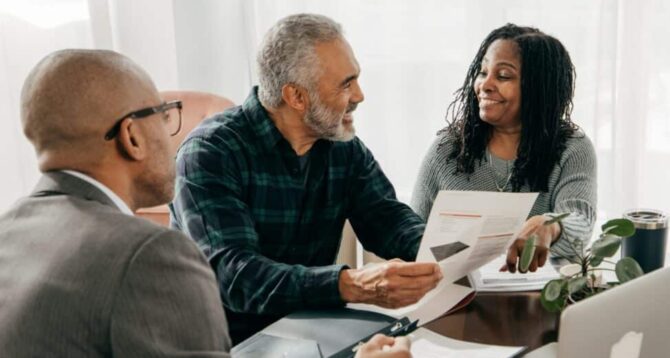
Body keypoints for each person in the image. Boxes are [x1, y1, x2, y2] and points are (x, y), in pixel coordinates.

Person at [0, 49, 409, 358]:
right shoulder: (151, 256)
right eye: (164, 114)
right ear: (132, 136)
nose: (172, 131)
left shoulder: (9, 231)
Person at [170, 13, 442, 344]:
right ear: (296, 97)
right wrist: (348, 285)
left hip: (309, 331)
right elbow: (237, 276)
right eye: (346, 83)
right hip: (226, 341)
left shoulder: (343, 146)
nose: (359, 95)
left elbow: (386, 218)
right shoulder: (210, 153)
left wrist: (444, 250)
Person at [411, 24, 596, 273]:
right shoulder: (447, 149)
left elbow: (580, 226)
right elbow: (413, 236)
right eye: (482, 71)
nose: (485, 85)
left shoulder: (573, 148)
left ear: (538, 88)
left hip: (538, 300)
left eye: (503, 76)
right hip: (458, 297)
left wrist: (550, 225)